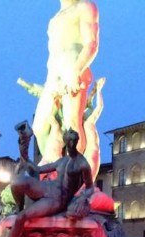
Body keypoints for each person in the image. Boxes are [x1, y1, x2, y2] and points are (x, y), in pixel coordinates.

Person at [0, 129, 94, 237]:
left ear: (76, 142)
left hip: (58, 198)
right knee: (18, 182)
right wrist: (23, 151)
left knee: (22, 217)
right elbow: (36, 170)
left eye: (72, 142)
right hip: (47, 187)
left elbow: (90, 187)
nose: (70, 145)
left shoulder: (83, 164)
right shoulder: (63, 160)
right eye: (68, 143)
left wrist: (82, 198)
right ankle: (18, 207)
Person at [30, 0, 99, 167]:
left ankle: (72, 169)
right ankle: (53, 163)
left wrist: (77, 70)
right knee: (39, 127)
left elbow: (92, 43)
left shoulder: (85, 6)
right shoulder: (55, 18)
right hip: (53, 74)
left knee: (72, 125)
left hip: (73, 67)